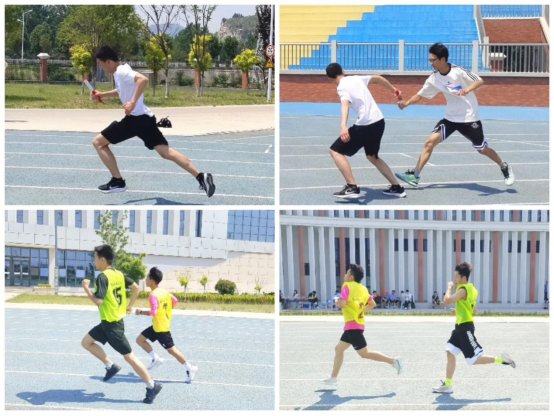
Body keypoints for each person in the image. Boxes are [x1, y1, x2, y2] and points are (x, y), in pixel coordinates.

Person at [91, 46, 215, 197]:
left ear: (108, 62)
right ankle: (201, 176)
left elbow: (142, 79)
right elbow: (122, 90)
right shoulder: (122, 71)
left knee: (98, 143)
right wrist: (102, 94)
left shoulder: (122, 71)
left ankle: (117, 181)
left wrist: (132, 102)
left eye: (100, 64)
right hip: (146, 118)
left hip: (135, 120)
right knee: (165, 152)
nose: (100, 67)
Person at [395, 43, 515, 189]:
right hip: (450, 118)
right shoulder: (434, 78)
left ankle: (503, 166)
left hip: (468, 118)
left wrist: (466, 90)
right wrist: (406, 103)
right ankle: (415, 175)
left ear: (442, 59)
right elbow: (420, 95)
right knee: (429, 142)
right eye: (429, 60)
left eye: (433, 60)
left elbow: (479, 81)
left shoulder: (458, 71)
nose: (430, 63)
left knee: (482, 149)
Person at [80, 244, 162, 404]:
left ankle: (152, 385)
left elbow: (98, 301)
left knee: (129, 357)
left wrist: (86, 288)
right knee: (86, 342)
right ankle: (110, 365)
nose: (94, 261)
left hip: (112, 326)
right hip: (108, 323)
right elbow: (136, 288)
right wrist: (129, 306)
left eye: (95, 258)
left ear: (102, 259)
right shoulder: (118, 274)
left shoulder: (102, 277)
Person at [325, 63, 406, 199]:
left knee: (335, 151)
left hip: (366, 124)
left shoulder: (341, 87)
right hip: (379, 121)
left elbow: (345, 104)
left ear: (329, 79)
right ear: (343, 71)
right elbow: (378, 78)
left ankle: (351, 187)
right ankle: (397, 188)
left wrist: (343, 126)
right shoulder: (356, 78)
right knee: (372, 156)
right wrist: (394, 90)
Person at [433, 262, 516, 394]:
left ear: (463, 278)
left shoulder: (462, 289)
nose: (454, 280)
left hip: (465, 329)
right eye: (454, 277)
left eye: (456, 277)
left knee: (474, 359)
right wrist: (458, 312)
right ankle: (447, 385)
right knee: (450, 352)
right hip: (460, 327)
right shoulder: (472, 290)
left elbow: (446, 301)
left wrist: (448, 288)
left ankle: (502, 359)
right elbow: (473, 310)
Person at [322, 264, 402, 386]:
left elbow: (342, 304)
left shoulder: (347, 285)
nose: (344, 275)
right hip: (356, 325)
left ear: (351, 277)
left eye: (347, 273)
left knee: (364, 353)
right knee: (338, 349)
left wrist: (335, 300)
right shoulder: (363, 289)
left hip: (353, 327)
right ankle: (333, 378)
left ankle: (393, 361)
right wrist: (360, 311)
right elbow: (372, 304)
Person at [135, 267, 197, 383]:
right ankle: (155, 358)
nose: (145, 279)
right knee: (140, 340)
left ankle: (190, 368)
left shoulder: (153, 295)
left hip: (161, 328)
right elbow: (174, 300)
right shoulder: (164, 292)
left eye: (147, 277)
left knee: (171, 350)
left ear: (152, 280)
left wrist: (141, 312)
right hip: (156, 326)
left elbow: (153, 312)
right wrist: (165, 310)